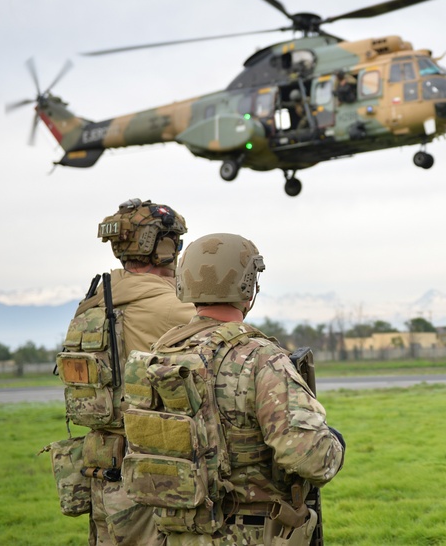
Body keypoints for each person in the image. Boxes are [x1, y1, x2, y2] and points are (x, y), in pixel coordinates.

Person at [121, 233, 345, 545]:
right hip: (250, 533)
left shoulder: (159, 354)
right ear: (249, 288)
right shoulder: (261, 358)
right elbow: (310, 458)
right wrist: (335, 444)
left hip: (176, 533)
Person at [54, 197, 194, 545]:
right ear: (163, 247)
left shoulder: (98, 300)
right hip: (151, 469)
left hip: (103, 465)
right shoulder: (173, 307)